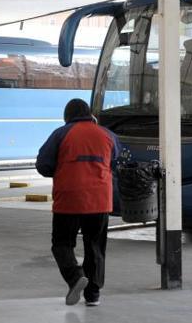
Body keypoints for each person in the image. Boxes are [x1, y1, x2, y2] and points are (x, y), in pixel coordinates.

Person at [36, 99, 120, 307]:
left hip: (69, 199)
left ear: (67, 117)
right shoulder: (108, 135)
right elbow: (117, 161)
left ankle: (75, 277)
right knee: (95, 247)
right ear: (89, 114)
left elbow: (43, 165)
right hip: (99, 200)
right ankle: (93, 295)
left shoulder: (61, 134)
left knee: (62, 244)